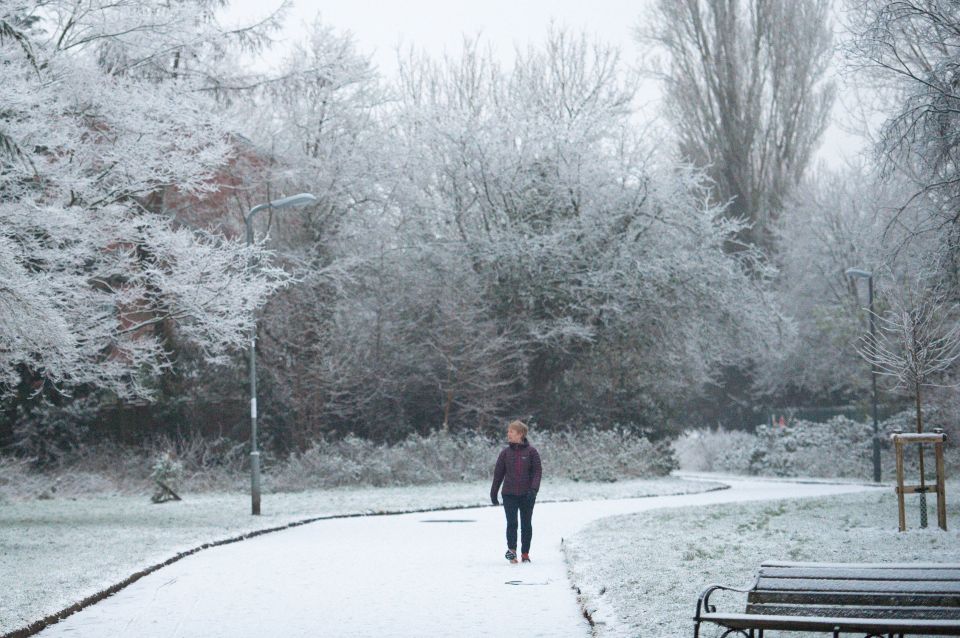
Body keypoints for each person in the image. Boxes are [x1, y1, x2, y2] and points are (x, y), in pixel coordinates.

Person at [490, 419, 542, 564]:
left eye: (511, 431)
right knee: (511, 523)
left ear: (520, 434)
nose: (508, 434)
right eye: (508, 431)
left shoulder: (532, 452)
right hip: (509, 494)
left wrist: (533, 489)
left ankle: (525, 553)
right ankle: (512, 553)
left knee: (526, 524)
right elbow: (498, 474)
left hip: (527, 495)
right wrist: (493, 493)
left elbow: (537, 472)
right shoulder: (505, 453)